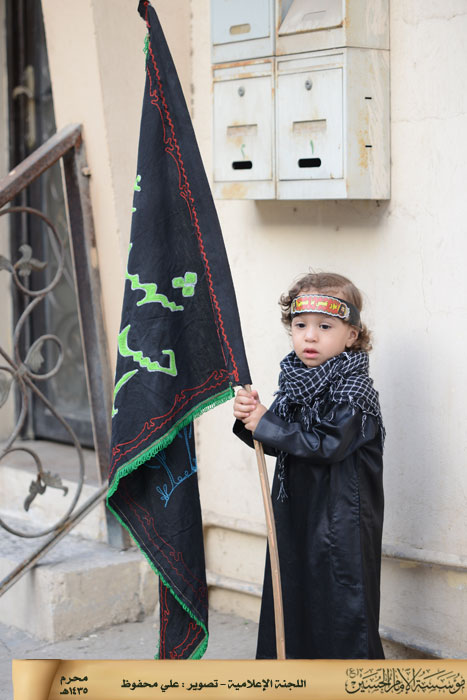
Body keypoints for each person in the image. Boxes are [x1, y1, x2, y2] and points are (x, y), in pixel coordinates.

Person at [233, 272, 385, 659]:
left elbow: (326, 445)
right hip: (295, 514)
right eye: (300, 325)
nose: (310, 336)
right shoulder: (296, 384)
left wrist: (267, 423)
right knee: (293, 602)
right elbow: (281, 441)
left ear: (351, 335)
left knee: (341, 613)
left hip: (339, 525)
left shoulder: (354, 392)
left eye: (325, 326)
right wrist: (251, 417)